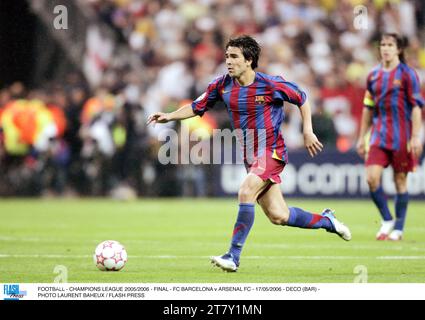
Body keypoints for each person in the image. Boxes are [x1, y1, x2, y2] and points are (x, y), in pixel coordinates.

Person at [148, 35, 351, 272]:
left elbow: (302, 98)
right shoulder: (221, 85)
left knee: (245, 191)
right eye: (227, 56)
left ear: (249, 60)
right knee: (279, 215)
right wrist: (170, 116)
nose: (228, 61)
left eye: (234, 57)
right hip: (251, 157)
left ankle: (233, 256)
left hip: (272, 151)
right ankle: (327, 221)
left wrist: (307, 130)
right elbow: (196, 105)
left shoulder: (270, 84)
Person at [356, 33, 424, 241]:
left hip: (401, 136)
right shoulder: (373, 75)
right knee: (371, 178)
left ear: (399, 49)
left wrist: (415, 136)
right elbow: (368, 108)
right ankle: (387, 219)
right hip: (378, 135)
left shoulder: (407, 74)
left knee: (400, 181)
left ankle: (399, 229)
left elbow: (415, 107)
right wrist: (361, 137)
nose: (385, 48)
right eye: (383, 44)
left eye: (390, 45)